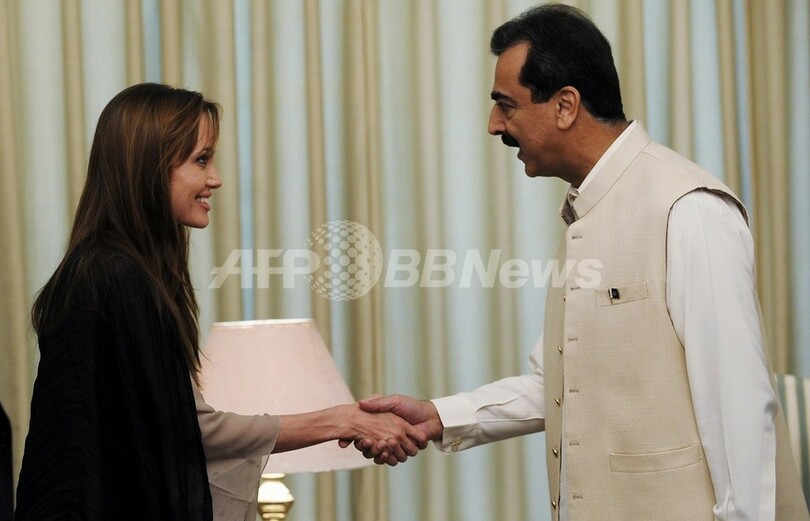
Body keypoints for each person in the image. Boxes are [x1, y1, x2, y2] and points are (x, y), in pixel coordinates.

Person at [353, 4, 810, 521]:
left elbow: (739, 405)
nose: (494, 126)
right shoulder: (588, 211)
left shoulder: (689, 208)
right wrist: (438, 416)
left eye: (506, 105)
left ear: (566, 105)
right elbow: (559, 384)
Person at [15, 82, 426, 521]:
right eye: (201, 160)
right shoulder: (117, 277)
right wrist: (344, 420)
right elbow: (191, 430)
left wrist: (346, 419)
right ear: (150, 166)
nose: (215, 179)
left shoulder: (103, 268)